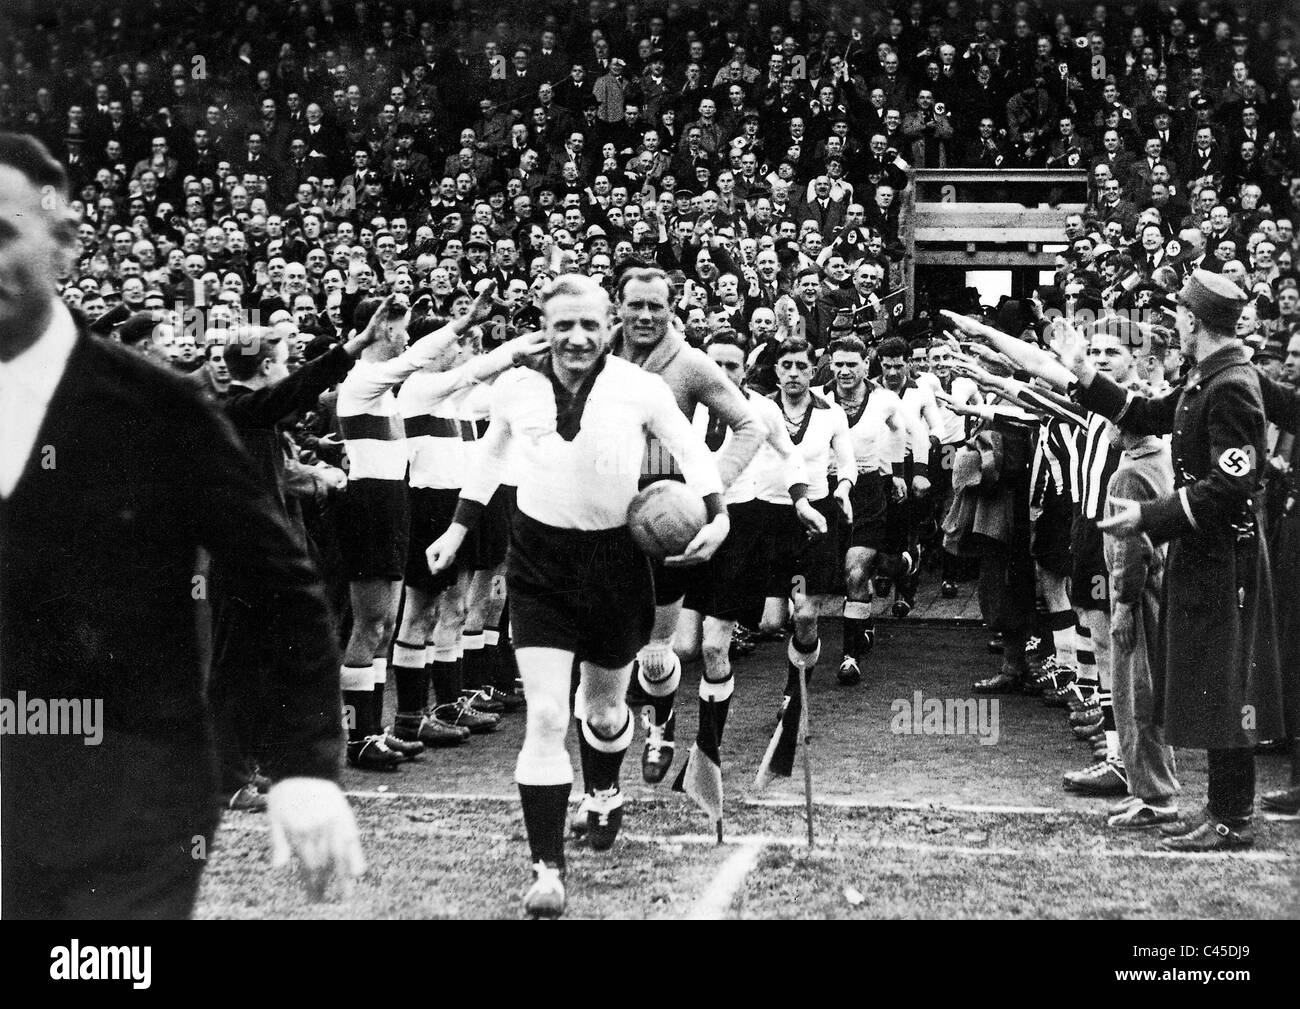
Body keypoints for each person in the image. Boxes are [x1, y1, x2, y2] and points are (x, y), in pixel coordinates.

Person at [0, 132, 361, 918]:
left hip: (130, 800)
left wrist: (305, 766)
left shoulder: (156, 409)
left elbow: (283, 582)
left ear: (63, 242)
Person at [425, 273, 727, 917]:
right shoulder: (516, 384)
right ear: (545, 324)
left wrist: (717, 512)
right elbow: (478, 444)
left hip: (617, 562)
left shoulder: (638, 388)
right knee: (546, 717)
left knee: (606, 713)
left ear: (610, 320)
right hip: (538, 563)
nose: (577, 336)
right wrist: (457, 527)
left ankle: (605, 792)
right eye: (563, 324)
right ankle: (547, 868)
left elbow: (691, 449)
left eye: (590, 323)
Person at [333, 285, 495, 769]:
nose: (407, 338)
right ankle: (355, 737)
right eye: (400, 327)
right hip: (370, 506)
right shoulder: (364, 380)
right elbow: (411, 362)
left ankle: (375, 730)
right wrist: (461, 325)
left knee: (383, 627)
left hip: (392, 503)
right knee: (371, 624)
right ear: (384, 327)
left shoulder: (383, 391)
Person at [613, 266, 763, 787]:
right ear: (619, 305)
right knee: (625, 642)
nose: (647, 315)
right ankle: (647, 734)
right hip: (608, 515)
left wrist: (705, 492)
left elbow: (751, 427)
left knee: (670, 645)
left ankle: (677, 739)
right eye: (637, 304)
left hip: (670, 525)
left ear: (672, 308)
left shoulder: (691, 364)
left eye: (657, 305)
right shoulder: (596, 356)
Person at [672, 330, 819, 822]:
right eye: (716, 365)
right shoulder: (681, 406)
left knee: (718, 644)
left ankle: (705, 754)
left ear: (746, 368)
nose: (725, 375)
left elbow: (790, 454)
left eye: (734, 366)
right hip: (694, 530)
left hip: (746, 530)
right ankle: (664, 730)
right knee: (681, 649)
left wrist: (801, 500)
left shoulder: (762, 411)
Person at [753, 337, 855, 785]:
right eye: (785, 366)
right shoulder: (759, 410)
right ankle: (793, 675)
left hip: (815, 520)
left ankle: (795, 696)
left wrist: (844, 490)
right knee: (772, 622)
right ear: (775, 372)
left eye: (801, 365)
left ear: (814, 371)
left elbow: (846, 463)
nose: (793, 373)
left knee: (807, 616)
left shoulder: (832, 413)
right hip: (771, 518)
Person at [821, 334, 909, 684]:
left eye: (851, 364)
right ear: (830, 364)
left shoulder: (884, 400)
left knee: (856, 572)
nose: (844, 371)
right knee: (844, 573)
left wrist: (899, 474)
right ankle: (864, 622)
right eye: (838, 364)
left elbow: (900, 431)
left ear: (866, 364)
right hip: (826, 490)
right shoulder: (819, 401)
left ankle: (850, 656)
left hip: (869, 490)